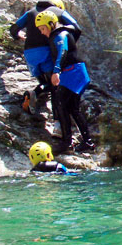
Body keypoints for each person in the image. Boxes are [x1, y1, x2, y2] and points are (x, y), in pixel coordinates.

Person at [35, 10, 96, 154]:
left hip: (73, 73)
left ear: (51, 24)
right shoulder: (58, 34)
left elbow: (63, 51)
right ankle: (87, 142)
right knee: (72, 108)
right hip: (74, 72)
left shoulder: (60, 35)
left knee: (61, 104)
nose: (42, 32)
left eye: (43, 29)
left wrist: (56, 71)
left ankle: (67, 142)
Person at [9, 0, 82, 116]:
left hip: (29, 54)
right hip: (47, 52)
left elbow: (13, 29)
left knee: (45, 82)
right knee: (55, 87)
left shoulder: (30, 12)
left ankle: (35, 93)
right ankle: (57, 121)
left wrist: (18, 36)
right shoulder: (58, 12)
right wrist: (69, 44)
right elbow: (77, 28)